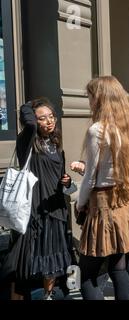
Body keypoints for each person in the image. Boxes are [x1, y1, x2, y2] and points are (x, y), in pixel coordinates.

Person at [75, 76, 129, 300]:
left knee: (86, 273)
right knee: (119, 267)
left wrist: (79, 204)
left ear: (99, 99)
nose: (88, 101)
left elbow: (90, 177)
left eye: (90, 96)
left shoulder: (97, 130)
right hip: (125, 204)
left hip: (103, 207)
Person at [0, 99, 73, 300]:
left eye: (51, 116)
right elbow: (29, 123)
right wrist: (30, 104)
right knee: (20, 262)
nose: (49, 121)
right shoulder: (28, 141)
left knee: (52, 260)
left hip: (54, 210)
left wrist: (67, 182)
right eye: (42, 118)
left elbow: (61, 179)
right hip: (30, 212)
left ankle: (47, 296)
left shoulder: (56, 145)